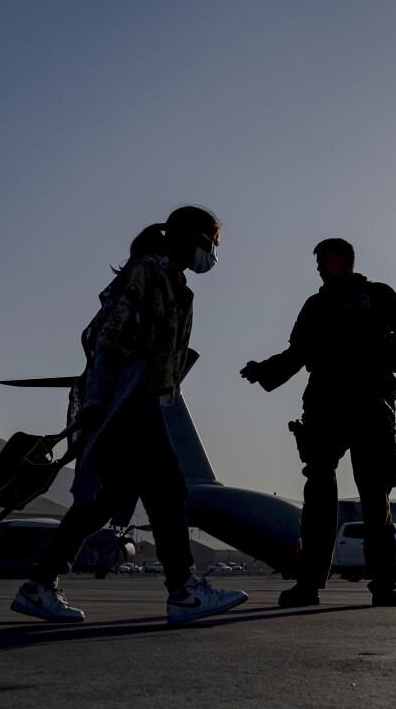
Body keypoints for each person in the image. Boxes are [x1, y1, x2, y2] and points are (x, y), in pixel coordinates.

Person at [12, 206, 248, 624]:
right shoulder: (149, 270)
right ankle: (184, 590)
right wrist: (101, 400)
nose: (212, 252)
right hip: (128, 400)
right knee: (168, 488)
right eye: (210, 242)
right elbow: (104, 334)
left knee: (102, 503)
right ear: (189, 237)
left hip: (138, 399)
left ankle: (39, 585)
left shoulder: (171, 279)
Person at [240, 238, 396, 608]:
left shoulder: (380, 297)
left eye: (323, 259)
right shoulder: (316, 305)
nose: (319, 267)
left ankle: (385, 583)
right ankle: (308, 584)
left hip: (372, 407)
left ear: (344, 259)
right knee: (320, 497)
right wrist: (264, 371)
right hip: (325, 407)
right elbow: (297, 353)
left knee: (375, 498)